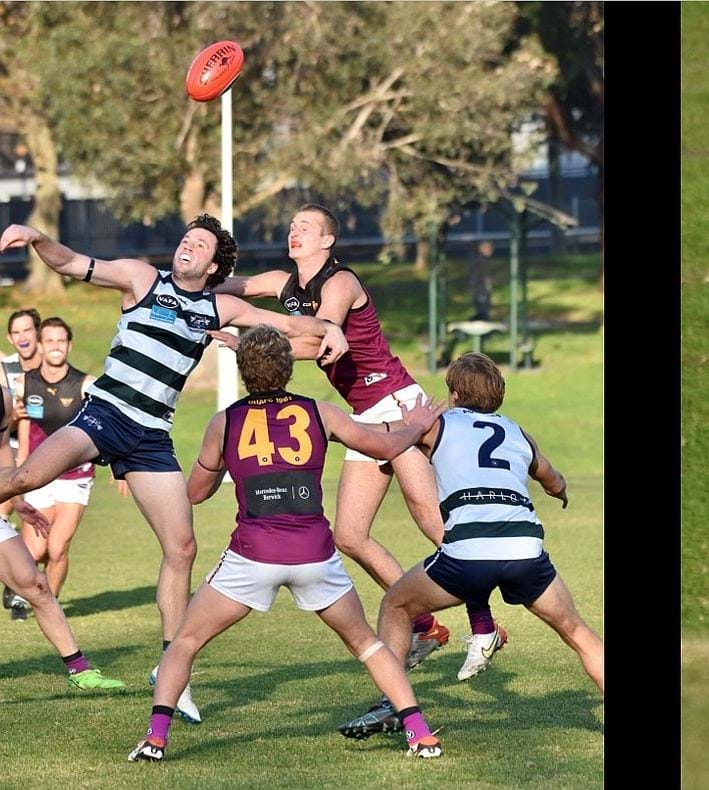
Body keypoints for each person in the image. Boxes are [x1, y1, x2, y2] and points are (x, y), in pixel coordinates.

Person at [0, 215, 348, 722]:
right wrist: (36, 238)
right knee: (26, 478)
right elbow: (72, 262)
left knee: (182, 546)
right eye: (186, 239)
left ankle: (171, 668)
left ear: (212, 265)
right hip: (104, 415)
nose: (187, 245)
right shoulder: (142, 279)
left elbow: (290, 325)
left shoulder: (218, 306)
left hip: (150, 437)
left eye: (200, 244)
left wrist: (330, 327)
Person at [128, 325, 446, 762]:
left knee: (184, 641)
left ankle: (156, 738)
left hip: (253, 555)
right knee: (368, 645)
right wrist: (415, 425)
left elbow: (196, 492)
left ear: (243, 372)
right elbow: (384, 445)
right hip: (315, 554)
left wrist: (224, 460)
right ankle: (420, 732)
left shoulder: (224, 421)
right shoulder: (321, 412)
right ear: (286, 370)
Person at [216, 204, 485, 674]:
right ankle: (423, 625)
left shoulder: (340, 283)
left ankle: (484, 624)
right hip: (366, 413)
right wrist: (185, 286)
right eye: (292, 225)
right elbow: (234, 288)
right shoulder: (286, 282)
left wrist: (249, 343)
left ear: (327, 241)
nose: (294, 231)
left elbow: (321, 338)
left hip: (398, 404)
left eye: (306, 227)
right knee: (350, 536)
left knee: (429, 518)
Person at [337, 353, 603, 743]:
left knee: (396, 604)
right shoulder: (518, 432)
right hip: (525, 550)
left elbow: (380, 444)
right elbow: (553, 478)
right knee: (578, 632)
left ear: (455, 393)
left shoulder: (439, 425)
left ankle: (392, 703)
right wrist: (558, 491)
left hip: (468, 555)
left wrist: (409, 426)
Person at [0, 371, 124, 690]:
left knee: (36, 585)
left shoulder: (2, 398)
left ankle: (80, 671)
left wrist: (15, 498)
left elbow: (3, 457)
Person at [10, 319, 98, 620]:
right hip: (38, 475)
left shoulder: (86, 385)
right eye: (50, 341)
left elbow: (101, 429)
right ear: (41, 345)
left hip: (76, 475)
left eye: (61, 341)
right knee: (35, 552)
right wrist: (18, 470)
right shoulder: (24, 384)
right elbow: (23, 429)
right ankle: (25, 589)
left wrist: (116, 466)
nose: (56, 346)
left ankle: (50, 604)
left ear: (69, 345)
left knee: (58, 546)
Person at [1, 308, 40, 608]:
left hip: (43, 458)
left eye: (28, 330)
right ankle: (15, 579)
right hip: (9, 452)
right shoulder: (5, 368)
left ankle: (20, 581)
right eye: (17, 332)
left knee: (50, 545)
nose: (23, 337)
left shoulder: (54, 367)